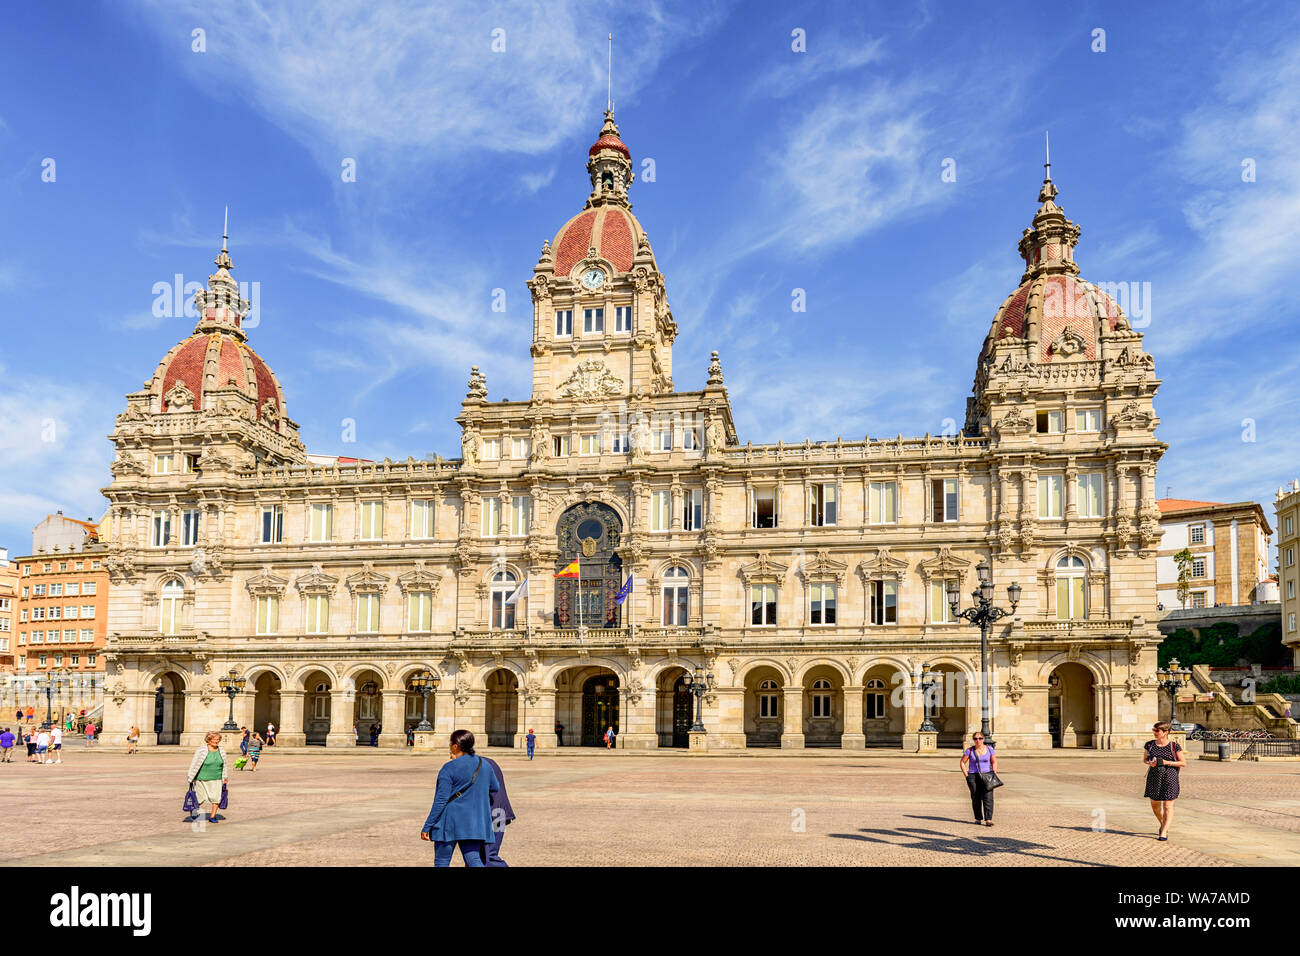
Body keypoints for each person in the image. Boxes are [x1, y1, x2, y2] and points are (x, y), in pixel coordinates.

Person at [420, 729, 499, 867]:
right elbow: (495, 787)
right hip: (474, 821)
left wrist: (427, 826)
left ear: (455, 746)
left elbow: (441, 800)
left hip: (449, 822)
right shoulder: (484, 764)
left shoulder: (449, 768)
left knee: (442, 861)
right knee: (474, 860)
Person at [1144, 721, 1186, 841]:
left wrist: (1168, 762)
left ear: (1166, 732)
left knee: (1168, 805)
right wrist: (1150, 763)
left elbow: (1183, 763)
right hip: (1154, 776)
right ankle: (1163, 824)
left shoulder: (1174, 746)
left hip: (1170, 776)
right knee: (1155, 805)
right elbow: (1145, 759)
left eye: (1157, 731)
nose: (1154, 732)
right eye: (1154, 730)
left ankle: (1163, 832)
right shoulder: (1149, 745)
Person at [187, 731, 229, 824]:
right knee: (199, 798)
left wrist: (225, 777)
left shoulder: (221, 750)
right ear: (209, 740)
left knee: (216, 798)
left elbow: (224, 765)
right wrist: (190, 776)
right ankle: (194, 810)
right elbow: (194, 763)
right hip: (201, 778)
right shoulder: (201, 750)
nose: (216, 741)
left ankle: (212, 816)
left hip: (217, 778)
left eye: (218, 739)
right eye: (214, 739)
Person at [482, 755, 515, 867]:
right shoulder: (488, 761)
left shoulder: (478, 765)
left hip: (494, 814)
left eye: (452, 754)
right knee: (486, 854)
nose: (451, 758)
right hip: (501, 814)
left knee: (488, 856)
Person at [960, 732, 998, 827]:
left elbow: (994, 762)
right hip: (973, 776)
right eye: (976, 739)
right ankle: (978, 818)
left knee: (988, 797)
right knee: (976, 798)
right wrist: (967, 776)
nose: (978, 740)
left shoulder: (990, 749)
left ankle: (988, 819)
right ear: (973, 740)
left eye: (980, 738)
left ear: (983, 739)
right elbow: (962, 762)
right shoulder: (970, 751)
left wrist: (994, 773)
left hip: (987, 775)